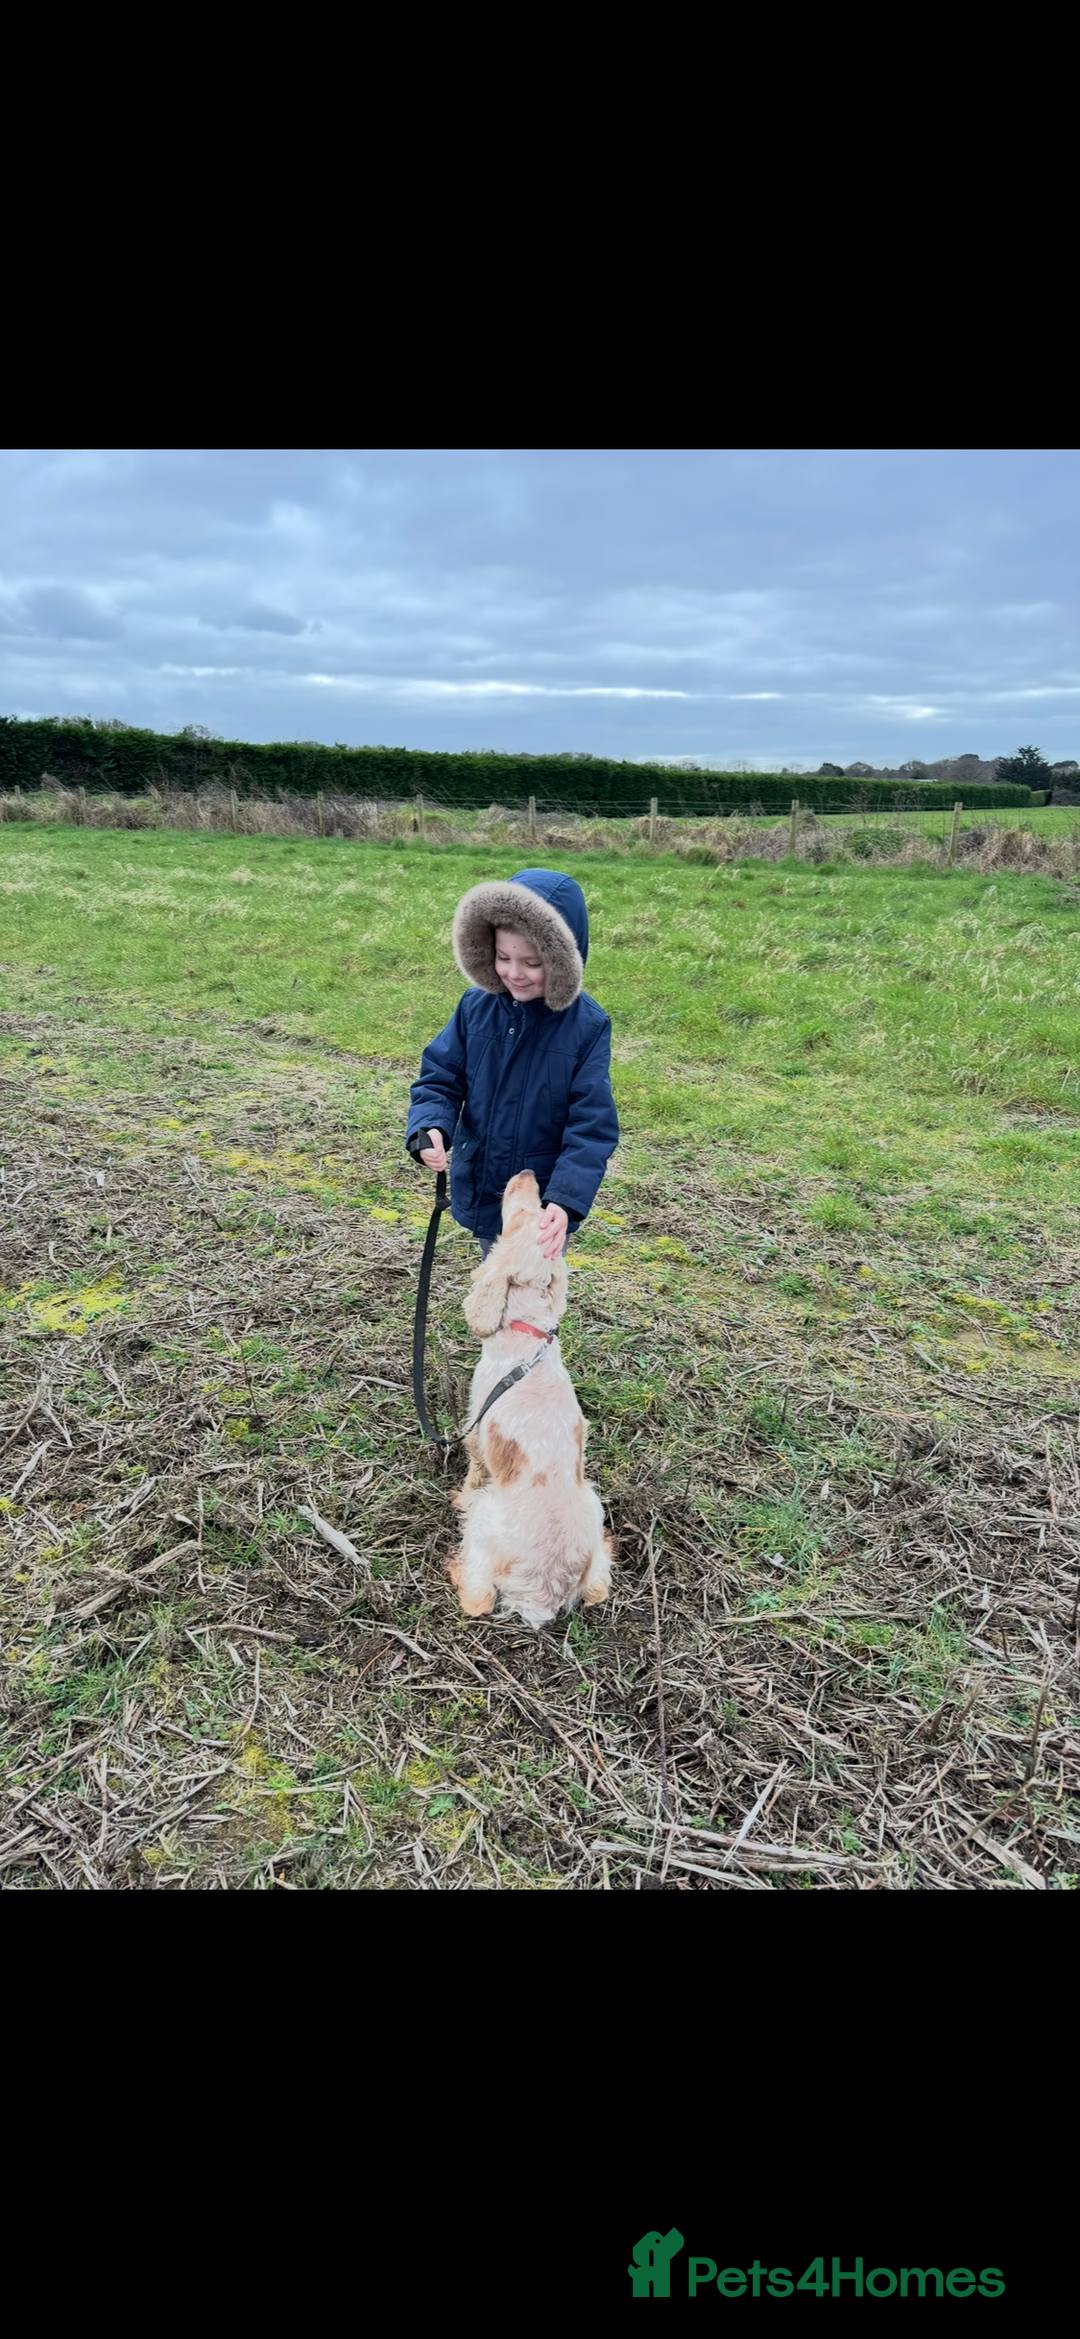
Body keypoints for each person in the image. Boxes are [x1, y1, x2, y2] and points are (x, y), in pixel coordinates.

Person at [406, 867, 618, 1259]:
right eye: (503, 957)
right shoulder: (475, 1008)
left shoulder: (587, 1027)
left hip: (538, 1199)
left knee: (531, 1291)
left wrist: (564, 1200)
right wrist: (430, 1126)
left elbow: (591, 1124)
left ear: (561, 960)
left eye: (532, 963)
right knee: (497, 1269)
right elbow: (440, 1078)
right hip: (483, 1177)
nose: (514, 974)